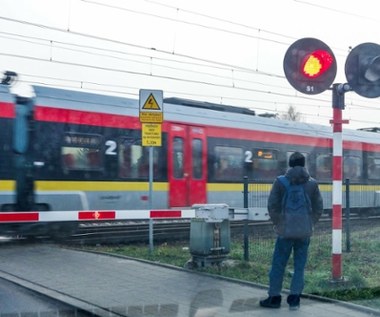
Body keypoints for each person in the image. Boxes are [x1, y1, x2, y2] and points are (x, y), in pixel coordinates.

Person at [260, 152, 323, 310]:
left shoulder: (280, 182)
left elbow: (272, 206)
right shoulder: (312, 183)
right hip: (304, 233)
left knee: (278, 265)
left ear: (289, 164)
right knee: (299, 267)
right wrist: (309, 223)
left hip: (285, 232)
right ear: (304, 164)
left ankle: (274, 299)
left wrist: (279, 223)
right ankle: (294, 300)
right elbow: (319, 208)